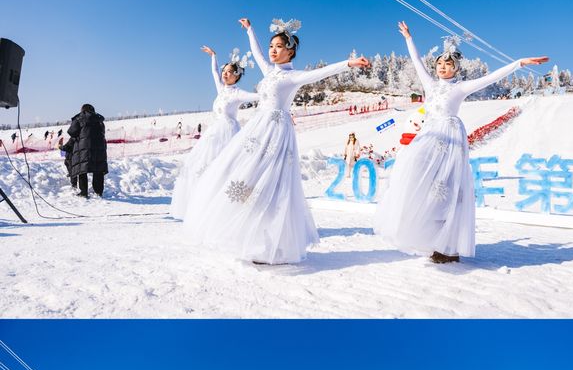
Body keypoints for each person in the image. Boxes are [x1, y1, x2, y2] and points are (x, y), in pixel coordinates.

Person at [182, 17, 370, 265]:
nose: (273, 50)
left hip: (276, 133)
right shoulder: (270, 72)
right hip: (258, 129)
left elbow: (320, 73)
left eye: (279, 46)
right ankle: (251, 236)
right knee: (245, 177)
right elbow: (256, 52)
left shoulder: (293, 76)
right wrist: (250, 30)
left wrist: (349, 63)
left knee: (272, 184)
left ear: (290, 50)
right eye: (272, 46)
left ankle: (271, 245)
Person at [375, 22, 548, 263]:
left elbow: (491, 77)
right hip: (429, 134)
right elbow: (416, 61)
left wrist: (519, 62)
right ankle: (424, 234)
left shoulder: (462, 87)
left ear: (456, 68)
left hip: (450, 137)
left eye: (447, 64)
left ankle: (446, 246)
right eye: (439, 64)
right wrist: (408, 38)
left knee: (446, 191)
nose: (442, 68)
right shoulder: (430, 85)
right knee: (415, 175)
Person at [171, 46, 259, 219]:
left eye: (229, 72)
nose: (225, 74)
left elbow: (257, 97)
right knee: (202, 166)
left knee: (226, 168)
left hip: (229, 134)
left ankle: (226, 206)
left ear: (238, 75)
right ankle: (203, 204)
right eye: (224, 71)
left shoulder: (238, 93)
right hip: (213, 134)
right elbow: (214, 71)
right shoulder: (221, 89)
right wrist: (213, 56)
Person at [67, 104, 108, 198]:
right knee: (98, 168)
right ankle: (98, 192)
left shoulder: (79, 118)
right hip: (99, 147)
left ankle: (83, 192)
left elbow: (72, 132)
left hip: (83, 148)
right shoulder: (99, 120)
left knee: (82, 169)